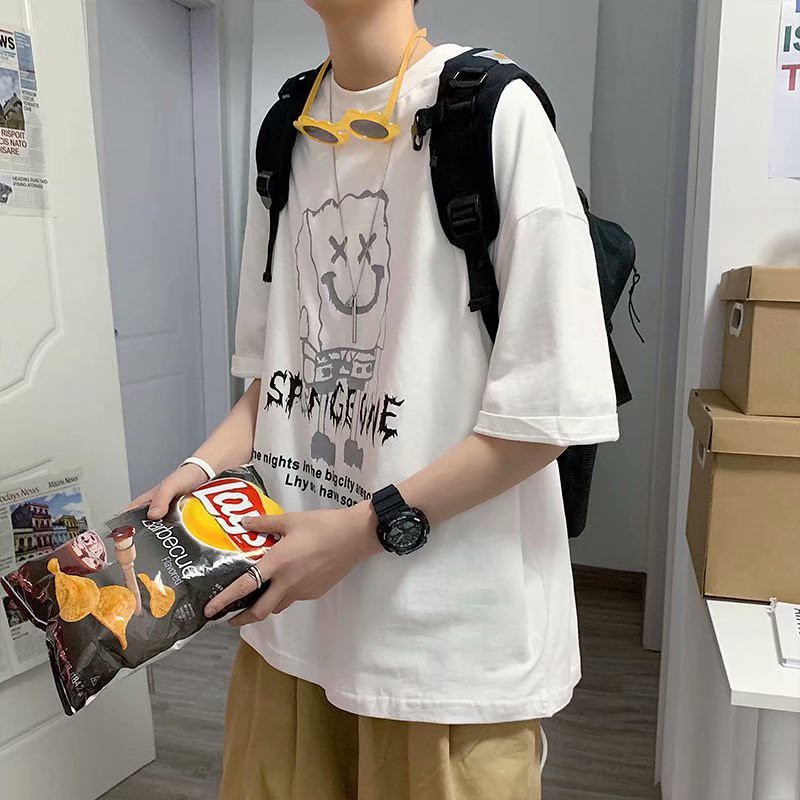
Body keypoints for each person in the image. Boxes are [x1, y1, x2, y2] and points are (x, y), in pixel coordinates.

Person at [132, 0, 618, 797]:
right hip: (292, 624)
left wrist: (359, 533)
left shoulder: (496, 113)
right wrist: (199, 467)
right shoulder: (285, 131)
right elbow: (277, 384)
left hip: (444, 651)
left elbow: (543, 418)